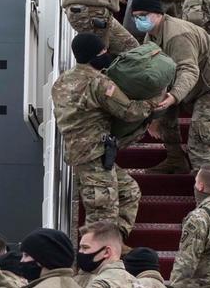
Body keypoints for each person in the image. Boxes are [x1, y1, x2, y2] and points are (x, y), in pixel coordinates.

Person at [51, 32, 155, 240]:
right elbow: (128, 111)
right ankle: (93, 263)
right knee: (100, 218)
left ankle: (117, 240)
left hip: (85, 154)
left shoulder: (61, 81)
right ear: (94, 55)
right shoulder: (98, 82)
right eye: (103, 52)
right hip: (94, 156)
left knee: (129, 191)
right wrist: (152, 104)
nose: (106, 54)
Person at [133, 0, 210, 174]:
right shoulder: (152, 36)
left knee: (201, 142)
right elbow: (157, 74)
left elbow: (189, 70)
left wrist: (174, 96)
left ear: (158, 13)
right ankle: (176, 160)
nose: (139, 20)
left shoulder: (178, 35)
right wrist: (155, 115)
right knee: (164, 116)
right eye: (136, 17)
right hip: (194, 89)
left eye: (143, 15)